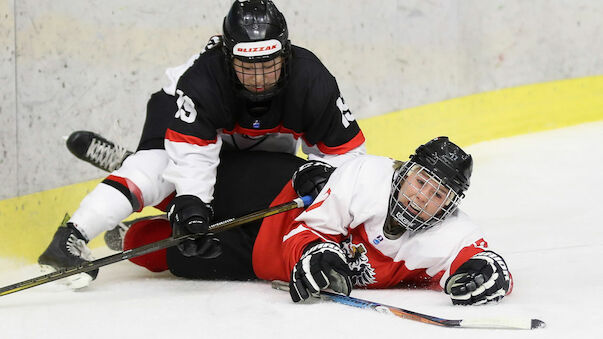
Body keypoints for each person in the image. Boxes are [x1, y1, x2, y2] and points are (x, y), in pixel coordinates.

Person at [38, 0, 365, 288]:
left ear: (286, 54)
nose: (259, 79)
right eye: (246, 67)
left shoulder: (313, 81)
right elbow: (193, 156)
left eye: (269, 65)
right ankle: (72, 236)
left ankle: (130, 176)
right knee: (157, 167)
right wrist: (193, 206)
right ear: (226, 57)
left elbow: (349, 160)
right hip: (184, 121)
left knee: (255, 192)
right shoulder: (202, 81)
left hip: (258, 144)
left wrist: (325, 177)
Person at [122, 137, 513, 305]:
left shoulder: (449, 235)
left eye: (437, 195)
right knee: (190, 202)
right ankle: (142, 176)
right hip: (278, 193)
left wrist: (489, 276)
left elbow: (484, 264)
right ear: (406, 171)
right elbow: (306, 228)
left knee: (141, 247)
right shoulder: (366, 178)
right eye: (421, 182)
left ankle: (127, 218)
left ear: (450, 205)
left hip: (259, 260)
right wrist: (316, 253)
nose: (422, 196)